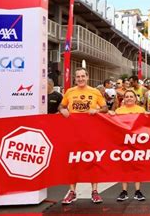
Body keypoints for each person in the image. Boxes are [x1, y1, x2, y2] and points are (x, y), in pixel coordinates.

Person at [59, 68, 108, 205]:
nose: (80, 79)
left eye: (83, 76)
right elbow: (61, 106)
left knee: (92, 161)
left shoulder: (95, 92)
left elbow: (105, 108)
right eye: (78, 76)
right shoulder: (70, 92)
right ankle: (72, 192)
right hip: (74, 132)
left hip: (91, 133)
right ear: (75, 78)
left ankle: (94, 191)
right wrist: (63, 110)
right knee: (73, 162)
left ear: (87, 77)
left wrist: (97, 110)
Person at [113, 90, 146, 201]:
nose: (129, 98)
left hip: (137, 141)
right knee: (124, 167)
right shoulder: (118, 111)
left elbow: (145, 124)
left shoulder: (141, 110)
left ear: (135, 98)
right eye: (127, 96)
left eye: (131, 96)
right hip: (123, 142)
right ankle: (124, 191)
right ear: (124, 99)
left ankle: (138, 191)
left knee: (137, 166)